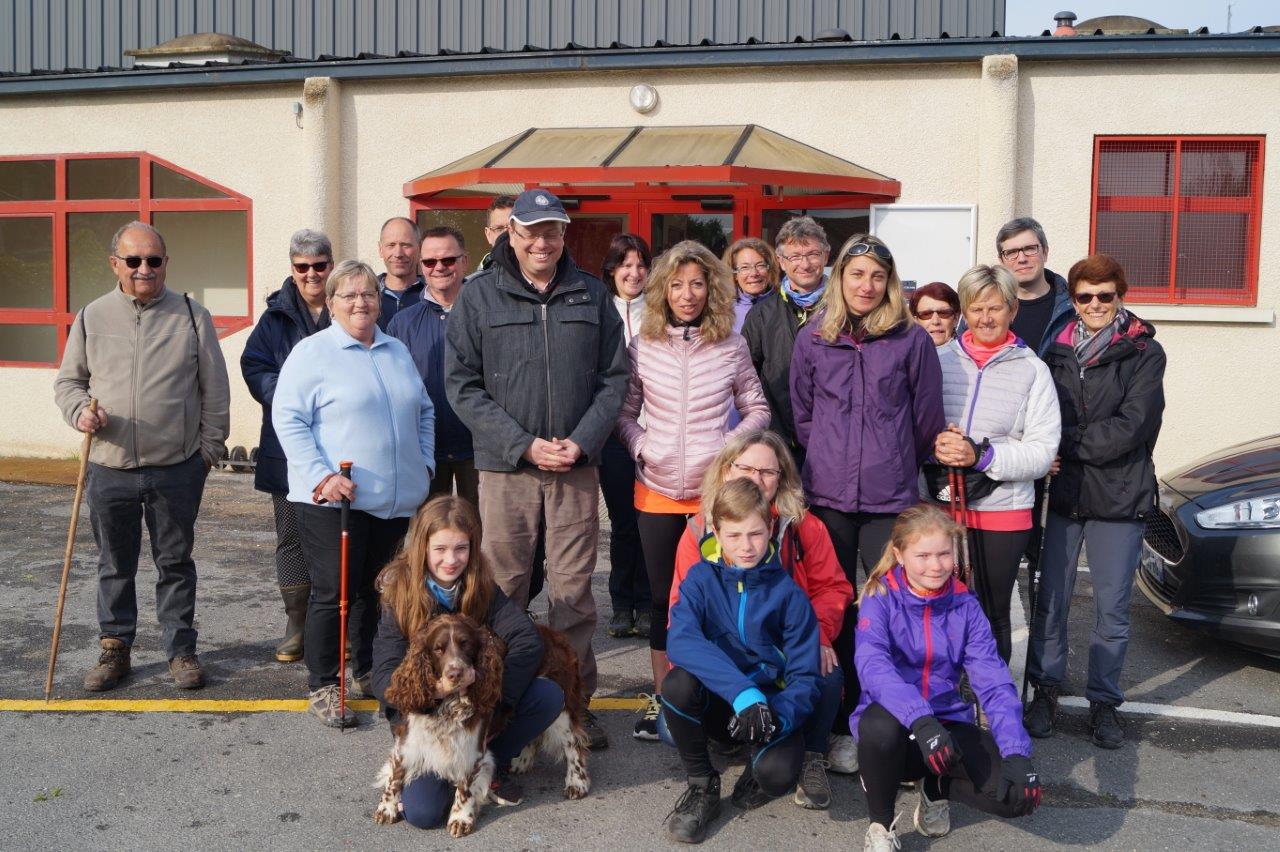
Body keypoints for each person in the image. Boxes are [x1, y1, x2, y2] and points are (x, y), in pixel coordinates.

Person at [446, 188, 627, 749]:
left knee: (572, 593)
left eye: (552, 231)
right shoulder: (478, 299)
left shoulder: (592, 297)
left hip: (575, 466)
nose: (541, 241)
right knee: (502, 587)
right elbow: (462, 386)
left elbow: (614, 380)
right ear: (512, 235)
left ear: (564, 235)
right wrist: (523, 443)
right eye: (531, 231)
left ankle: (575, 704)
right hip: (507, 469)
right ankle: (492, 700)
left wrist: (581, 440)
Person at [54, 220, 230, 692]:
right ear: (116, 264)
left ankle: (181, 651)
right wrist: (79, 414)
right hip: (109, 466)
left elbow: (215, 390)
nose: (144, 269)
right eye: (133, 260)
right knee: (115, 562)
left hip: (177, 468)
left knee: (175, 562)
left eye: (153, 260)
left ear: (166, 264)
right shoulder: (92, 316)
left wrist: (207, 452)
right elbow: (69, 383)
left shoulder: (192, 315)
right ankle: (115, 649)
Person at [616, 240, 770, 742]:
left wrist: (725, 453)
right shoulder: (644, 344)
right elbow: (623, 412)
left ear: (712, 288)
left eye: (697, 283)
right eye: (677, 284)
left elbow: (757, 409)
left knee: (715, 602)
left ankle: (720, 694)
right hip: (656, 492)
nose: (687, 294)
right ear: (663, 290)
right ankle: (667, 702)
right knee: (665, 601)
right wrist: (642, 446)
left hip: (712, 499)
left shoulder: (732, 344)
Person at [273, 260, 435, 728]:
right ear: (331, 302)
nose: (361, 303)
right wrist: (322, 476)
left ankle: (365, 669)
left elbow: (423, 410)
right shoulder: (313, 353)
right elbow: (288, 419)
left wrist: (422, 463)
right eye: (349, 296)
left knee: (374, 590)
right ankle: (324, 683)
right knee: (333, 591)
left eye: (368, 294)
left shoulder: (395, 350)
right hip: (332, 501)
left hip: (392, 499)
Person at [1025, 253, 1165, 750]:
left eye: (1105, 295)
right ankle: (1046, 690)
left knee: (1112, 610)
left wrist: (1061, 447)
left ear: (1119, 295)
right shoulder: (1056, 351)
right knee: (1052, 602)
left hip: (1119, 497)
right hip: (1066, 496)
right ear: (1075, 300)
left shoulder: (1144, 352)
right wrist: (1044, 449)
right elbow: (1039, 414)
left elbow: (1133, 426)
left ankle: (1104, 701)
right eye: (1085, 296)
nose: (1095, 304)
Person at [670, 429, 854, 806]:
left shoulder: (804, 531)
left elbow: (834, 588)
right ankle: (704, 783)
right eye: (746, 468)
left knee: (825, 669)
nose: (756, 478)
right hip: (727, 672)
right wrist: (738, 691)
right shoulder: (698, 540)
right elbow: (681, 627)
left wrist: (818, 633)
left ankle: (809, 752)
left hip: (783, 660)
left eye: (767, 472)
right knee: (675, 707)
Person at [853, 505, 1041, 851]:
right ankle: (880, 826)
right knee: (878, 729)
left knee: (1016, 796)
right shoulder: (880, 597)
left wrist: (1017, 751)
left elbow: (994, 681)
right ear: (899, 554)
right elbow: (873, 666)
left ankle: (935, 788)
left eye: (944, 553)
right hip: (895, 723)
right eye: (922, 555)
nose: (936, 565)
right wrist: (920, 719)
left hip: (947, 722)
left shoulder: (965, 605)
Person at [372, 496, 562, 827]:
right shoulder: (397, 594)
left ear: (473, 548)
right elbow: (383, 678)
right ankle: (452, 772)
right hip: (424, 722)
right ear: (422, 547)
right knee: (425, 814)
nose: (451, 559)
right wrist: (435, 692)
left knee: (547, 696)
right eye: (440, 549)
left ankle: (489, 760)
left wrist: (492, 706)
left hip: (473, 716)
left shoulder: (481, 587)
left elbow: (527, 641)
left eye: (461, 548)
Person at [661, 478, 820, 844]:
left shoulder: (789, 594)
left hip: (769, 707)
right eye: (733, 536)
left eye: (755, 534)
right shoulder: (701, 578)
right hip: (727, 699)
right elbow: (681, 640)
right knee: (677, 685)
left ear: (770, 529)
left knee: (776, 776)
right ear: (715, 532)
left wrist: (774, 716)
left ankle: (756, 765)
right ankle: (702, 785)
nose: (745, 547)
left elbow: (806, 678)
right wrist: (742, 694)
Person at [930, 264, 1060, 664]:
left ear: (1013, 310)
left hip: (1003, 511)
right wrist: (933, 444)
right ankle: (944, 700)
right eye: (975, 308)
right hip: (941, 507)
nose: (986, 318)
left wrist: (982, 455)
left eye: (996, 308)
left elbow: (1042, 451)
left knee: (990, 614)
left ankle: (993, 706)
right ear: (964, 313)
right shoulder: (937, 360)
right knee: (937, 612)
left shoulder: (1033, 370)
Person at [240, 228, 333, 663]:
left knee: (342, 538)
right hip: (287, 446)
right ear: (292, 270)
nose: (312, 274)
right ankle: (297, 623)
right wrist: (289, 395)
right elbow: (254, 365)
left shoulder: (349, 304)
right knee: (292, 538)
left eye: (319, 265)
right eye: (302, 267)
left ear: (330, 265)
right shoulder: (274, 317)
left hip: (341, 448)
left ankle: (342, 626)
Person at [388, 225, 477, 506]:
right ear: (421, 265)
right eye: (429, 261)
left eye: (448, 260)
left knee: (483, 538)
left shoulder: (486, 316)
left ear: (464, 262)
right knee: (429, 538)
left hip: (479, 450)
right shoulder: (402, 324)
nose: (439, 268)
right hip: (424, 451)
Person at [740, 217, 831, 465]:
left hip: (834, 439)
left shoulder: (844, 310)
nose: (805, 263)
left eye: (813, 254)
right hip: (778, 442)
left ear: (826, 255)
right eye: (794, 256)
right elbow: (747, 379)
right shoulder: (762, 314)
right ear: (781, 261)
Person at [600, 233, 653, 640]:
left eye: (640, 265)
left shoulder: (661, 314)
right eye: (625, 265)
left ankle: (649, 602)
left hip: (656, 433)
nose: (633, 273)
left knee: (650, 522)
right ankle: (621, 604)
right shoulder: (601, 312)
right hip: (612, 434)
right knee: (622, 523)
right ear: (612, 271)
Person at [995, 217, 1073, 357]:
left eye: (1030, 249)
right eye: (1011, 253)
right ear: (1001, 261)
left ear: (1045, 252)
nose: (1022, 259)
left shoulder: (1074, 306)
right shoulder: (984, 309)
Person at [376, 217, 425, 330]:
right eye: (391, 245)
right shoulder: (365, 295)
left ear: (419, 248)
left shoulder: (433, 295)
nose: (398, 253)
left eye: (405, 245)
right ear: (380, 249)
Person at [723, 237, 779, 334]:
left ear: (770, 269)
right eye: (745, 267)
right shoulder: (723, 311)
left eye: (760, 265)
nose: (754, 273)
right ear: (735, 274)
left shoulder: (784, 306)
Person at [908, 281, 961, 347]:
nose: (935, 321)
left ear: (956, 318)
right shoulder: (903, 355)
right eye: (926, 314)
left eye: (943, 313)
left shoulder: (969, 356)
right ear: (915, 321)